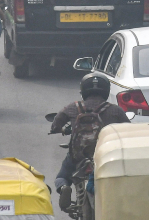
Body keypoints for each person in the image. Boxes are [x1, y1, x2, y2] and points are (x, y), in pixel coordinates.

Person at [49, 73, 128, 211]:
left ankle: (64, 188)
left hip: (78, 155)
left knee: (63, 174)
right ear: (106, 90)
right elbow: (128, 129)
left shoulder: (73, 107)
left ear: (83, 90)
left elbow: (55, 124)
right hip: (107, 156)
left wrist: (60, 129)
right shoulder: (115, 110)